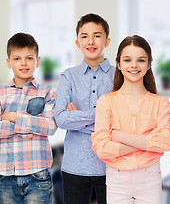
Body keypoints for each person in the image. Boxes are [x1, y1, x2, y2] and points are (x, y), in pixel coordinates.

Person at [91, 35, 170, 204]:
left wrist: (119, 136)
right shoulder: (106, 102)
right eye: (127, 60)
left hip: (149, 178)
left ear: (149, 65)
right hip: (117, 179)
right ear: (119, 64)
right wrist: (146, 144)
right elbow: (101, 148)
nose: (134, 65)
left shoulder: (161, 103)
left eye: (141, 60)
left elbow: (165, 143)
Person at [0, 32, 57, 204]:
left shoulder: (48, 92)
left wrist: (12, 117)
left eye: (29, 58)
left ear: (37, 61)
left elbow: (49, 127)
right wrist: (31, 126)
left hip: (38, 173)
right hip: (5, 175)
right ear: (8, 62)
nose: (23, 63)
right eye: (17, 58)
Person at [54, 13, 115, 204]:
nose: (91, 41)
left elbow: (121, 121)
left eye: (97, 35)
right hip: (75, 167)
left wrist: (78, 118)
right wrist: (103, 116)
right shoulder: (68, 76)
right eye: (84, 36)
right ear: (77, 41)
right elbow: (61, 119)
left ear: (107, 41)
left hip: (111, 167)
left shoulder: (120, 75)